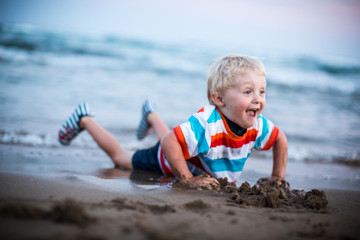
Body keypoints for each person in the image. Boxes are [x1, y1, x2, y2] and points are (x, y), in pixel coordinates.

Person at [58, 54, 288, 190]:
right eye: (248, 91)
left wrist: (278, 176)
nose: (258, 99)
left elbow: (279, 139)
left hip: (183, 150)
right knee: (121, 158)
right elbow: (170, 142)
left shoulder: (257, 125)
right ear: (218, 98)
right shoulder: (207, 122)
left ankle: (150, 115)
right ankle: (84, 119)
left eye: (262, 91)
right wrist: (187, 180)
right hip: (168, 159)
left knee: (179, 138)